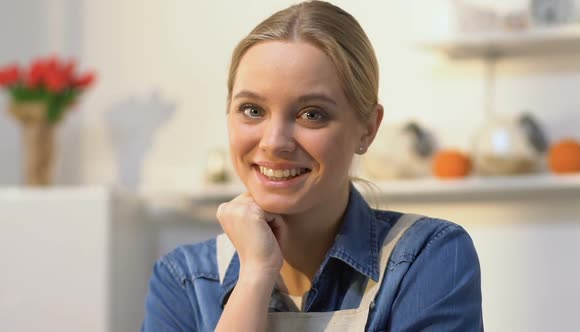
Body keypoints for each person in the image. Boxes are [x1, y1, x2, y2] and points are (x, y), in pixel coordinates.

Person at [142, 1, 483, 331]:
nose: (274, 141)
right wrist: (256, 274)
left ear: (368, 128)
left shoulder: (426, 257)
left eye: (312, 114)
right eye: (252, 110)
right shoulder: (184, 280)